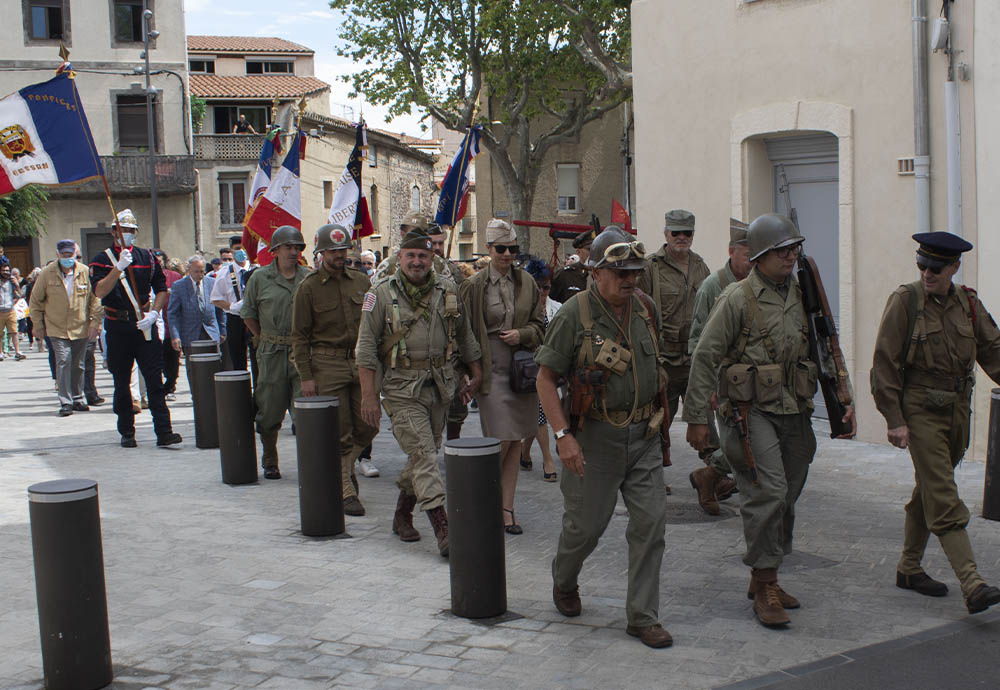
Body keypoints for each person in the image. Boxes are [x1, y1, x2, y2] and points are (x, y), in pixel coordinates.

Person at [684, 213, 856, 628]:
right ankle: (765, 583)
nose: (790, 256)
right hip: (750, 413)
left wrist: (844, 395)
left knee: (789, 493)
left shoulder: (803, 295)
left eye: (794, 249)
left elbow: (825, 344)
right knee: (768, 492)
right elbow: (705, 355)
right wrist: (696, 417)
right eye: (782, 250)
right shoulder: (736, 299)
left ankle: (769, 573)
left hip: (795, 408)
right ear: (760, 256)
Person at [534, 226, 672, 649]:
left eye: (634, 271)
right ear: (595, 273)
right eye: (620, 272)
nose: (630, 279)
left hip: (643, 437)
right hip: (592, 440)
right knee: (586, 527)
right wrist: (562, 436)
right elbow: (545, 378)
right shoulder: (574, 315)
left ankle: (642, 616)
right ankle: (565, 577)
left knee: (651, 524)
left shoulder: (645, 307)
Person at [871, 231, 1000, 615]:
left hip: (957, 411)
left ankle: (908, 569)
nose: (927, 273)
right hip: (920, 409)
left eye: (936, 267)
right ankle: (972, 582)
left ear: (954, 268)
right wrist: (894, 419)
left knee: (927, 488)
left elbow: (993, 351)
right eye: (922, 265)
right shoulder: (905, 301)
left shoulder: (969, 305)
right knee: (943, 493)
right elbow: (884, 363)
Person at [357, 227, 483, 556]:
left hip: (440, 385)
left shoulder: (447, 289)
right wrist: (368, 395)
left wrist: (477, 373)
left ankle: (402, 515)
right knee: (425, 456)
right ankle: (443, 528)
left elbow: (465, 335)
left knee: (420, 456)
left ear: (432, 258)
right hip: (400, 387)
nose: (416, 261)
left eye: (423, 256)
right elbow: (366, 349)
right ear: (400, 258)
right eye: (410, 255)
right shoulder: (380, 294)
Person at [460, 220, 544, 533]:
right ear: (489, 249)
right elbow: (464, 332)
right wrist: (468, 374)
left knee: (516, 438)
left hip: (521, 371)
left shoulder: (527, 283)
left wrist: (521, 334)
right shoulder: (475, 285)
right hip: (490, 372)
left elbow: (540, 326)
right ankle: (482, 497)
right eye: (501, 249)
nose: (507, 254)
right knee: (503, 438)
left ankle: (506, 509)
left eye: (513, 249)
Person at [291, 224, 378, 516]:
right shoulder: (309, 287)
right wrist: (306, 376)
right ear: (321, 254)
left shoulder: (361, 282)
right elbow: (300, 337)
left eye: (343, 250)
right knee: (340, 430)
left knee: (369, 423)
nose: (339, 256)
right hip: (327, 364)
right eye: (333, 251)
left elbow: (374, 322)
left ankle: (344, 468)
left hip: (360, 361)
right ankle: (345, 490)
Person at [90, 208, 182, 448]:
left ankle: (164, 431)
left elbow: (161, 288)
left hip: (144, 325)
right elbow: (99, 291)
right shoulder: (102, 259)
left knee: (154, 380)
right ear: (113, 232)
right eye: (123, 230)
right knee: (121, 382)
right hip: (117, 325)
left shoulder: (147, 257)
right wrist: (117, 268)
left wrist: (154, 313)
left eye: (131, 231)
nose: (127, 235)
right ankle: (127, 432)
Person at [637, 209, 710, 491]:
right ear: (666, 234)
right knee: (657, 423)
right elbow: (638, 309)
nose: (681, 238)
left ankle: (713, 476)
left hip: (693, 359)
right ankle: (652, 477)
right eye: (675, 233)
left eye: (687, 233)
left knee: (705, 419)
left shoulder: (701, 266)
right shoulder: (649, 268)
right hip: (662, 360)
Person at [686, 219, 751, 515]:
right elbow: (699, 342)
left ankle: (713, 476)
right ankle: (713, 475)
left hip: (752, 380)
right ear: (732, 252)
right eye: (747, 254)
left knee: (750, 439)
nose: (753, 261)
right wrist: (708, 389)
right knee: (740, 441)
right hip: (724, 381)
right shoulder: (713, 287)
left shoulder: (756, 283)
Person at [241, 226, 311, 479]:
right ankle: (270, 457)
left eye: (297, 248)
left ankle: (309, 460)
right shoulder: (260, 278)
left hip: (302, 353)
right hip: (271, 353)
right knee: (268, 409)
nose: (293, 252)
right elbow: (248, 313)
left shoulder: (308, 277)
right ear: (275, 251)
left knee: (304, 408)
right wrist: (264, 338)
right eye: (288, 247)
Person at [29, 239, 102, 416]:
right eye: (65, 255)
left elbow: (95, 299)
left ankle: (78, 398)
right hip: (56, 328)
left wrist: (95, 323)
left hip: (80, 327)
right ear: (58, 255)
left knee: (79, 364)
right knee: (63, 361)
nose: (68, 258)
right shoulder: (47, 274)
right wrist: (37, 325)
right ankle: (65, 401)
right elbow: (35, 301)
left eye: (71, 255)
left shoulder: (84, 272)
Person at [427, 223, 471, 441]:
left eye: (440, 243)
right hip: (423, 352)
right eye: (432, 243)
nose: (437, 247)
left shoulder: (453, 271)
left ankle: (454, 446)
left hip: (451, 351)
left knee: (456, 408)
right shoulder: (414, 270)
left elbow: (464, 314)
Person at [519, 256, 559, 481]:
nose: (542, 291)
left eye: (546, 287)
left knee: (539, 413)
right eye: (538, 286)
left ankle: (525, 453)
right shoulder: (522, 309)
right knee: (540, 412)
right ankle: (548, 459)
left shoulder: (558, 308)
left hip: (552, 368)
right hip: (529, 368)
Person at [166, 256, 226, 397]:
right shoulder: (179, 286)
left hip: (210, 331)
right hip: (190, 333)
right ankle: (197, 396)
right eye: (196, 271)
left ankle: (213, 395)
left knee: (214, 364)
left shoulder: (212, 283)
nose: (200, 274)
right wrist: (175, 336)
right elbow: (173, 313)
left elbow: (220, 309)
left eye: (202, 271)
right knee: (193, 368)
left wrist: (222, 330)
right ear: (188, 270)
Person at [210, 237, 256, 377]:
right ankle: (241, 392)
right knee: (237, 359)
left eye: (243, 248)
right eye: (237, 249)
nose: (241, 252)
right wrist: (231, 306)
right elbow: (215, 299)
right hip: (235, 318)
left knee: (257, 358)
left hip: (255, 318)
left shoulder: (257, 269)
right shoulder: (224, 273)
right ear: (231, 251)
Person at [549, 228, 594, 304]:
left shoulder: (604, 274)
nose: (594, 253)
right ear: (578, 252)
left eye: (596, 249)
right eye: (589, 249)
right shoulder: (565, 275)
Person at [0, 264, 26, 361]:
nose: (5, 272)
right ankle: (1, 353)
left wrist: (17, 285)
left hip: (10, 310)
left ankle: (17, 352)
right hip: (0, 311)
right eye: (3, 270)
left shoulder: (11, 283)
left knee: (14, 332)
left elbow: (20, 295)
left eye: (7, 270)